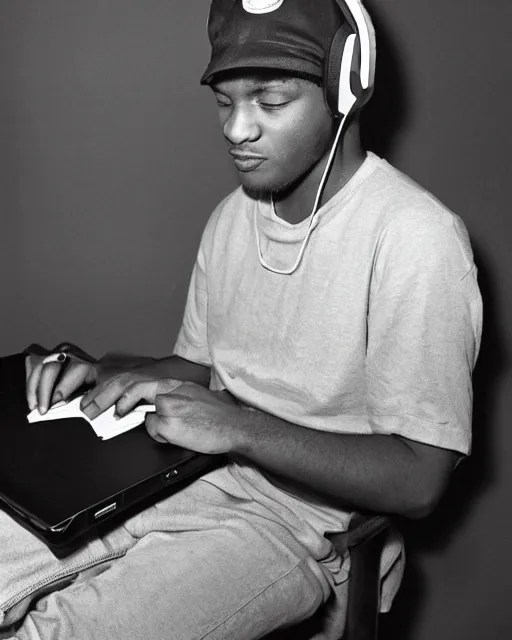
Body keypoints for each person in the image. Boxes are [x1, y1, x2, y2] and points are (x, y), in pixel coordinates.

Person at [0, 1, 482, 639]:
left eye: (269, 102)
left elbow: (421, 481)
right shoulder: (234, 215)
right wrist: (107, 377)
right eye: (225, 103)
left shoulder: (418, 239)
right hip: (174, 475)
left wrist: (241, 429)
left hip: (294, 528)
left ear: (345, 90)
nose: (235, 129)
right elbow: (202, 365)